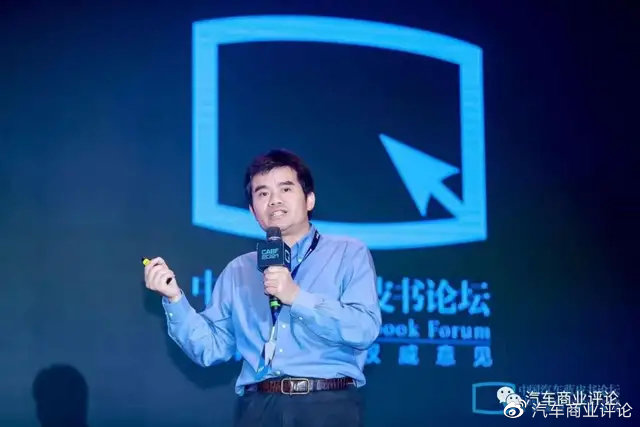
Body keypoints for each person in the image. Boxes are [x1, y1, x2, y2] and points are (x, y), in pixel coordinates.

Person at [144, 149, 381, 426]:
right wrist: (174, 298)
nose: (274, 200)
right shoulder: (239, 271)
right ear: (253, 211)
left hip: (326, 404)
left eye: (285, 189)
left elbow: (364, 328)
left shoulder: (348, 253)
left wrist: (296, 297)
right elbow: (211, 348)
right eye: (263, 193)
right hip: (258, 407)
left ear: (309, 199)